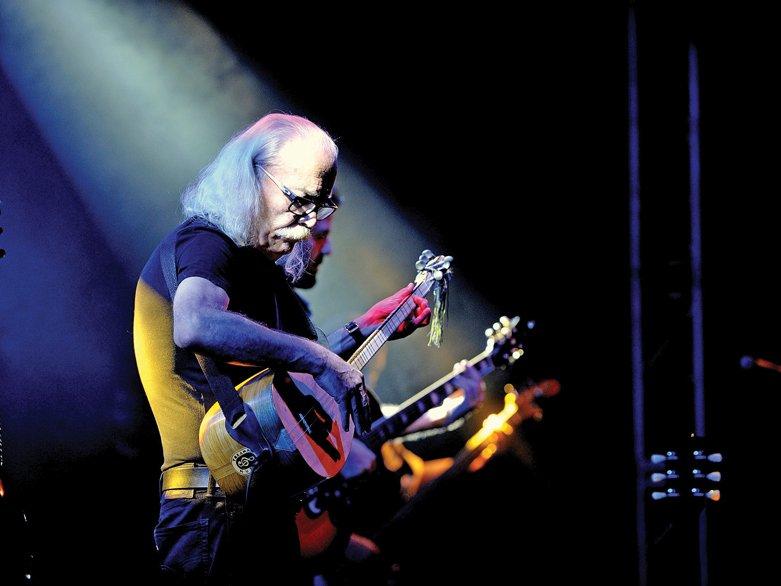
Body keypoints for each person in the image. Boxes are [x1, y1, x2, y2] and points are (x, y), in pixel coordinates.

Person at [133, 113, 430, 584]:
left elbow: (284, 381)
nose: (310, 222)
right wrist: (318, 356)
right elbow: (196, 323)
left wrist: (367, 328)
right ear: (250, 178)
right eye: (299, 201)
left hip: (264, 509)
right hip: (212, 516)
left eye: (320, 206)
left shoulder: (257, 270)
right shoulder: (205, 243)